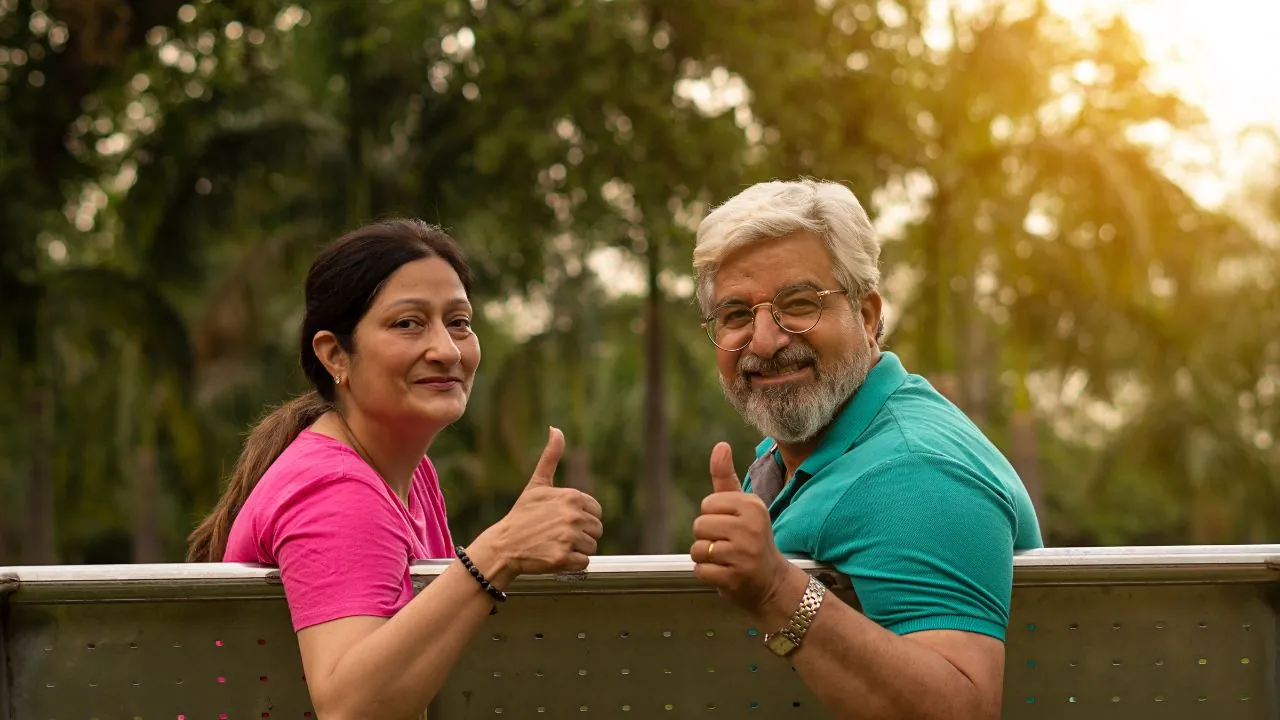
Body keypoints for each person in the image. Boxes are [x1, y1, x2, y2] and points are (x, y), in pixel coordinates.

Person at [186, 218, 603, 720]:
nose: (446, 350)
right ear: (335, 355)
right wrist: (500, 551)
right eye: (408, 323)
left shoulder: (405, 471)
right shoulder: (336, 488)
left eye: (459, 322)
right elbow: (351, 707)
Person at [687, 179, 1043, 719]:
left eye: (798, 304)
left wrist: (777, 589)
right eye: (736, 315)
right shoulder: (811, 449)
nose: (763, 341)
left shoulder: (914, 468)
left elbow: (965, 710)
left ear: (870, 316)